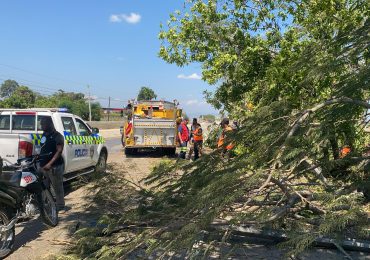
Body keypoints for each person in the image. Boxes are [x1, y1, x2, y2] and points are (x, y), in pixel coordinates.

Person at [39, 117, 65, 211]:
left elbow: (59, 151)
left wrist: (50, 164)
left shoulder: (57, 136)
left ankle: (60, 206)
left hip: (54, 166)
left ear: (50, 123)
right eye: (41, 124)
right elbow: (43, 148)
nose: (41, 126)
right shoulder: (44, 134)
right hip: (43, 166)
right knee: (45, 188)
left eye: (43, 124)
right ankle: (48, 206)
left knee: (57, 187)